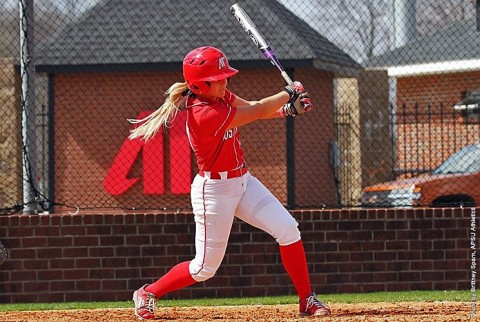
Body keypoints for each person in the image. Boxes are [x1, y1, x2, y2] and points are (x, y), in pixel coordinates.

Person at [129, 46, 331, 320]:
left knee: (288, 229)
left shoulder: (221, 97)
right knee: (203, 269)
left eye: (224, 75)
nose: (225, 81)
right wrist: (288, 91)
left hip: (243, 182)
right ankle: (148, 292)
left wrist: (287, 109)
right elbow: (258, 110)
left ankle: (307, 299)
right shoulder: (203, 114)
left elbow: (252, 108)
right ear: (200, 84)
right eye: (218, 77)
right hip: (214, 192)